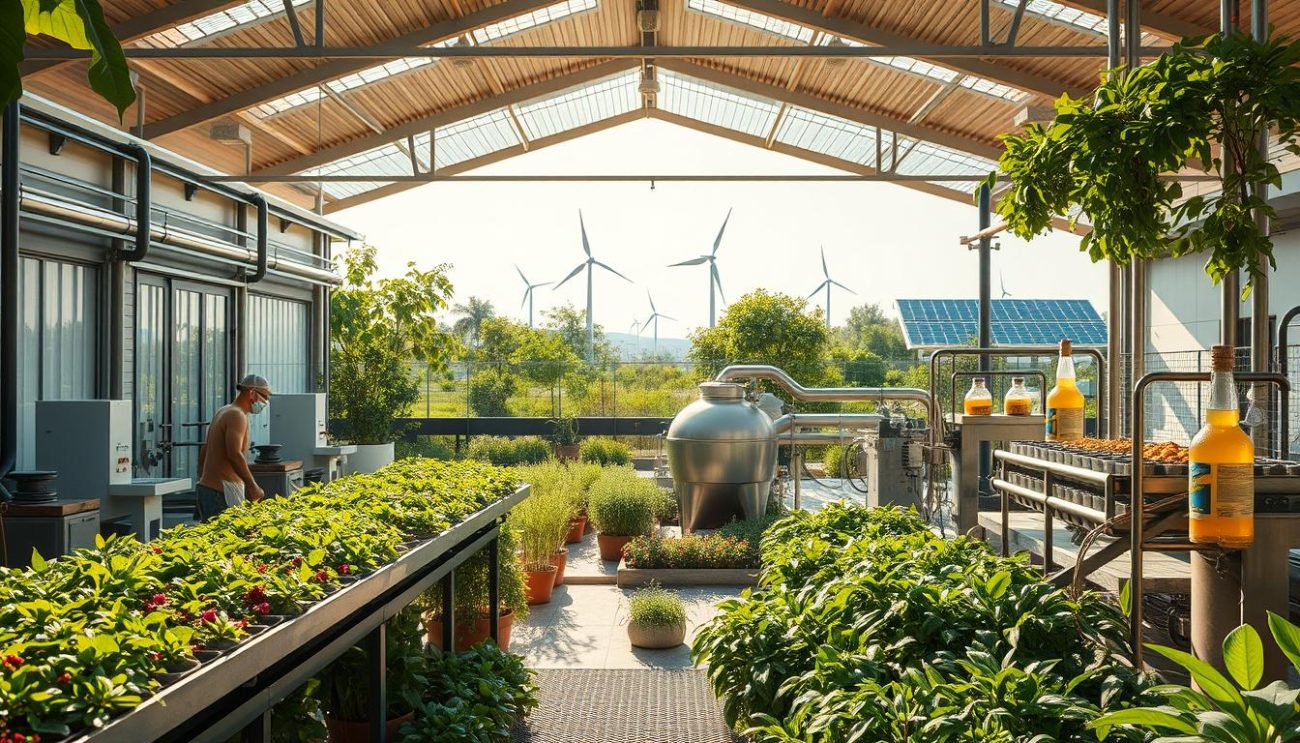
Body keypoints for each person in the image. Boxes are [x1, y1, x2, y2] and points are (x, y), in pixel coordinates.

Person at [195, 374, 271, 521]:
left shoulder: (224, 411)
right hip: (221, 491)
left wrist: (202, 478)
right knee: (227, 540)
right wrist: (252, 486)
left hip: (208, 488)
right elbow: (234, 454)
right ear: (251, 393)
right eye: (264, 397)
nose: (265, 402)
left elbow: (206, 448)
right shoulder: (237, 416)